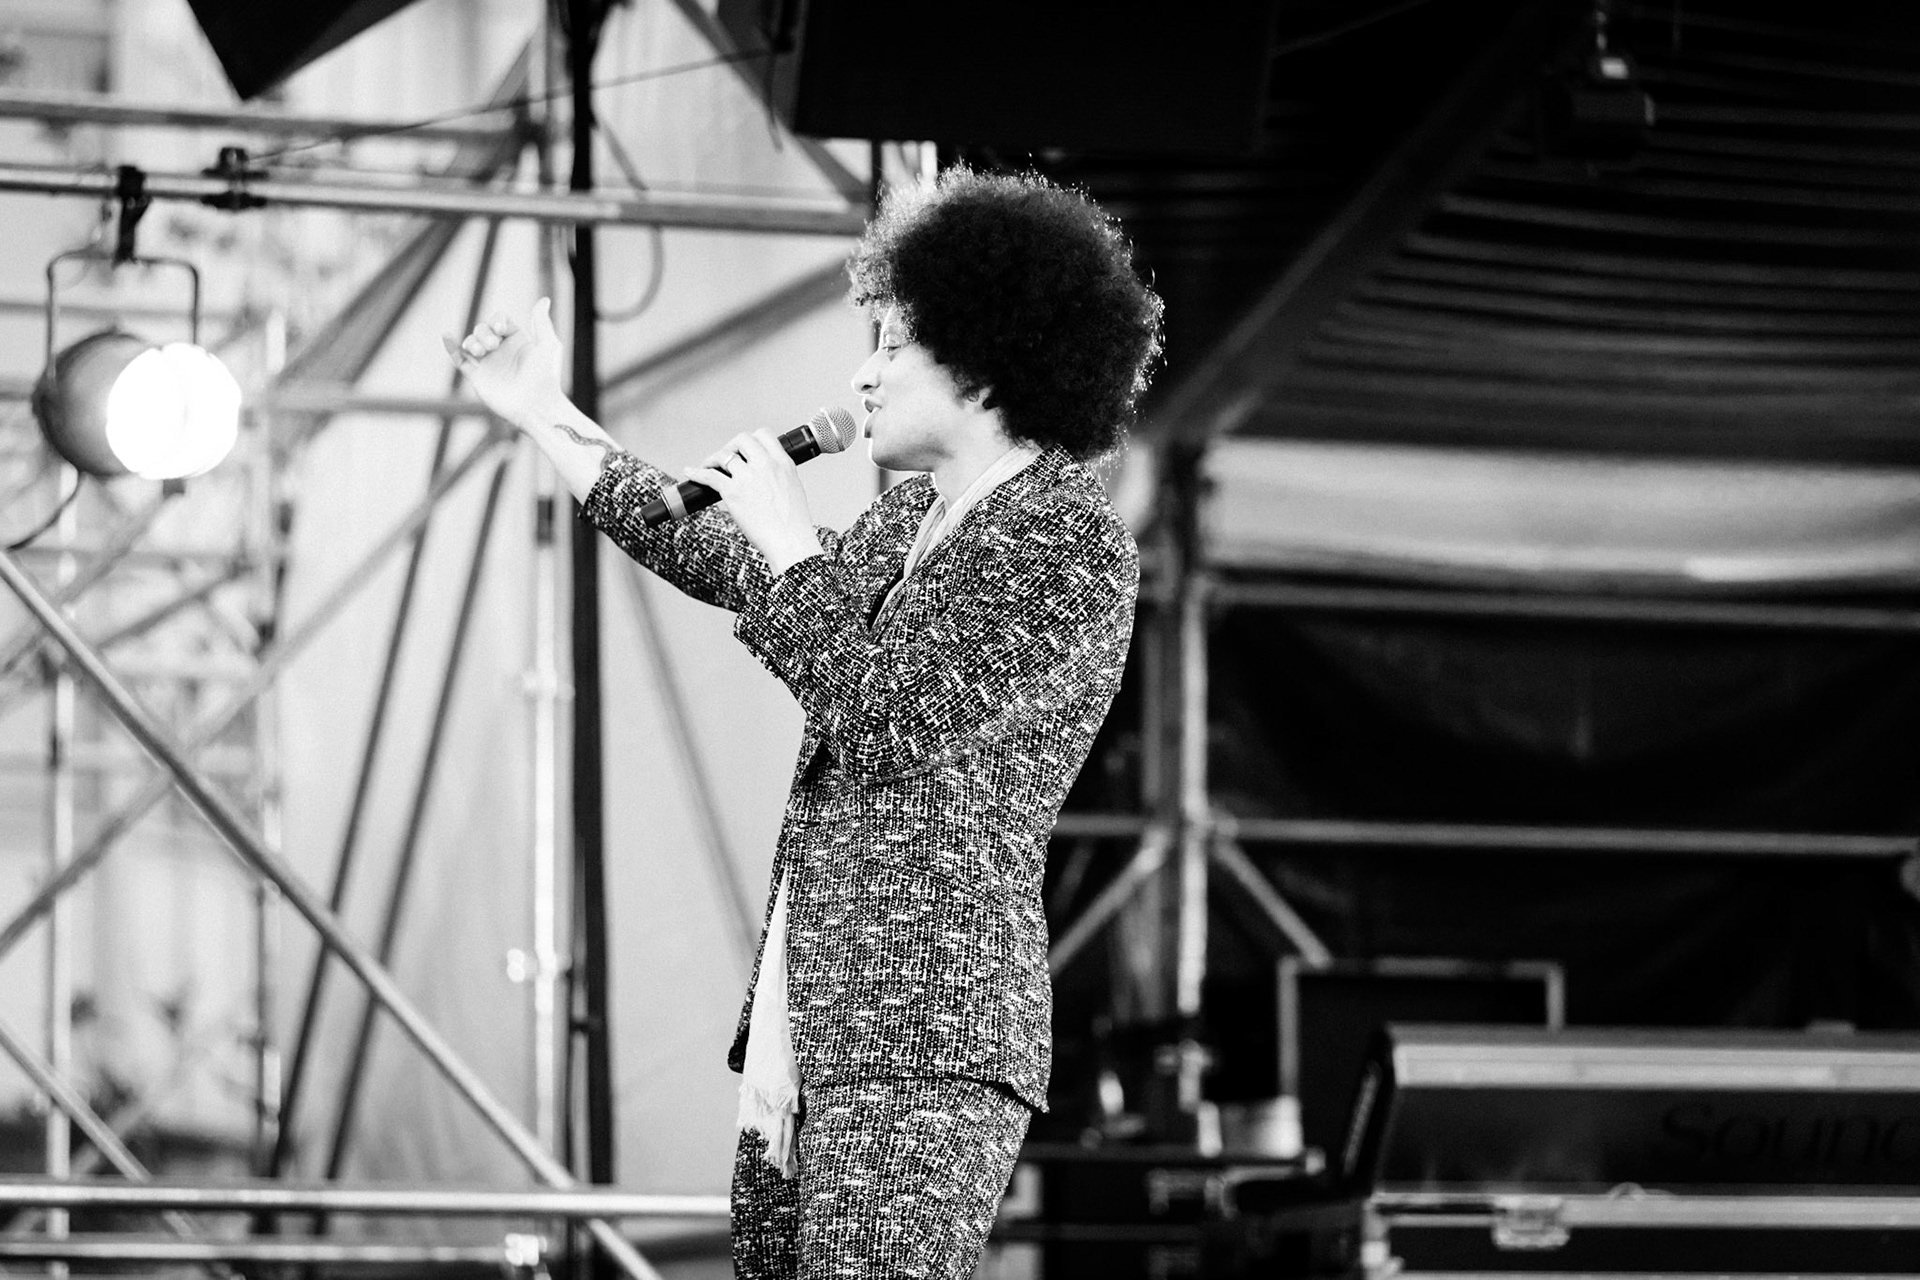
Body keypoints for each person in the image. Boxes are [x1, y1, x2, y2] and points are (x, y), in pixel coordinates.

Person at [449, 165, 1163, 1279]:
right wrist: (542, 409)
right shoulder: (915, 519)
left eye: (889, 344)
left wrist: (792, 544)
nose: (860, 375)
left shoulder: (1066, 540)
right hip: (809, 1024)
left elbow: (888, 716)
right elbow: (709, 549)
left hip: (923, 1030)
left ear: (984, 358)